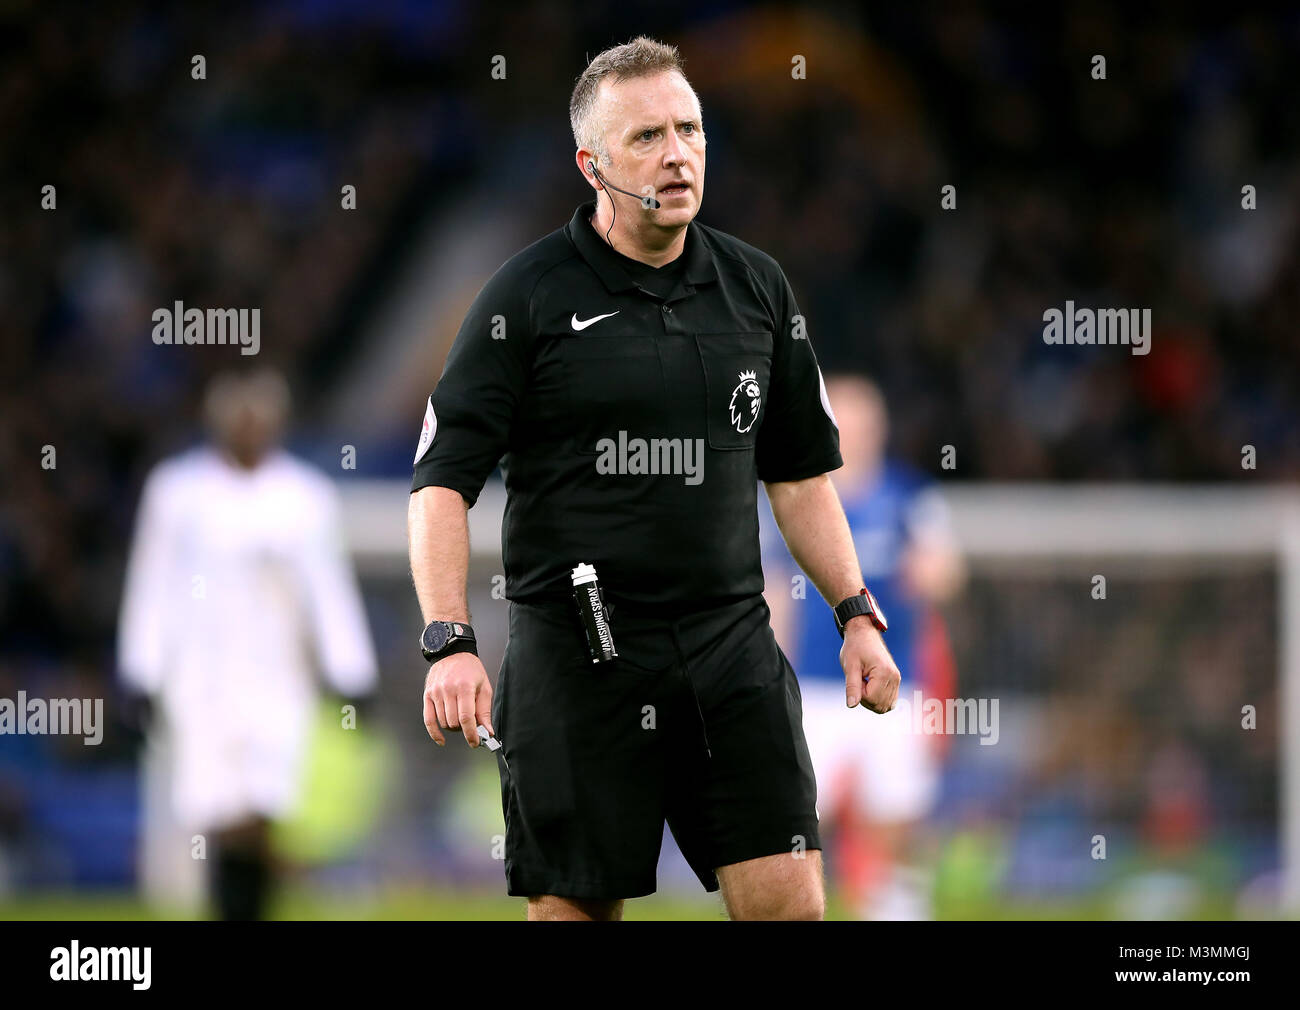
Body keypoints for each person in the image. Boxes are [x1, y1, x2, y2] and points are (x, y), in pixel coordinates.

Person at [408, 36, 900, 921]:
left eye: (690, 130)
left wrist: (855, 613)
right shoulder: (524, 299)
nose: (677, 154)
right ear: (591, 164)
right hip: (580, 653)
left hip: (730, 647)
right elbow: (441, 483)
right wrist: (449, 639)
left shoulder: (759, 289)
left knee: (794, 907)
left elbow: (799, 478)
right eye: (647, 138)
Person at [117, 367, 378, 919]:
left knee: (263, 805)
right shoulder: (177, 492)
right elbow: (151, 583)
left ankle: (248, 908)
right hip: (201, 681)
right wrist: (140, 669)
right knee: (216, 806)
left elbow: (329, 590)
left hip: (280, 682)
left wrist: (352, 669)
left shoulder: (304, 497)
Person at [763, 374, 966, 919]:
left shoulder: (910, 495)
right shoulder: (797, 496)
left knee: (896, 811)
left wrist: (929, 571)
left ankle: (893, 904)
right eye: (843, 422)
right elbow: (778, 588)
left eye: (863, 422)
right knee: (800, 812)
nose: (853, 433)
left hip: (898, 683)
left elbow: (946, 569)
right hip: (817, 683)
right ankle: (800, 903)